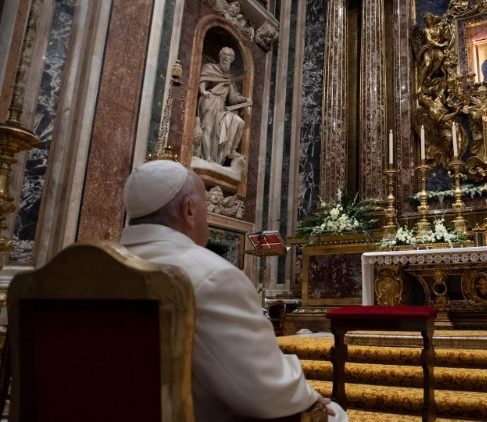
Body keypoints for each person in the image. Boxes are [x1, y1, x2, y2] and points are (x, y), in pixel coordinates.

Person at [120, 160, 347, 422]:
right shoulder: (214, 276)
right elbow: (268, 391)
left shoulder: (88, 269)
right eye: (204, 204)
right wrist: (310, 397)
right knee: (334, 415)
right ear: (190, 210)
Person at [197, 47, 251, 166]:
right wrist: (203, 91)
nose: (227, 58)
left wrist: (245, 99)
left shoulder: (229, 77)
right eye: (225, 55)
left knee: (239, 122)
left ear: (232, 60)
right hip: (209, 99)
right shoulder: (209, 67)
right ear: (220, 56)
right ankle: (208, 158)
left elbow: (233, 97)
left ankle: (231, 150)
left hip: (221, 105)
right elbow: (202, 80)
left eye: (230, 56)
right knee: (207, 129)